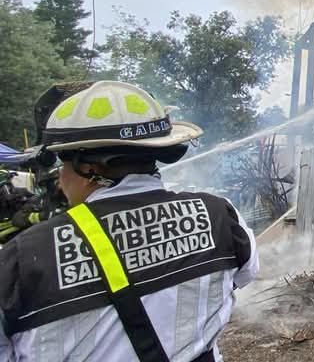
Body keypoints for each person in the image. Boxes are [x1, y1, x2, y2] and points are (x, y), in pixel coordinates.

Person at [0, 80, 259, 361]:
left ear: (87, 168)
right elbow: (244, 275)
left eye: (62, 165)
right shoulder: (220, 216)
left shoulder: (20, 260)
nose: (60, 179)